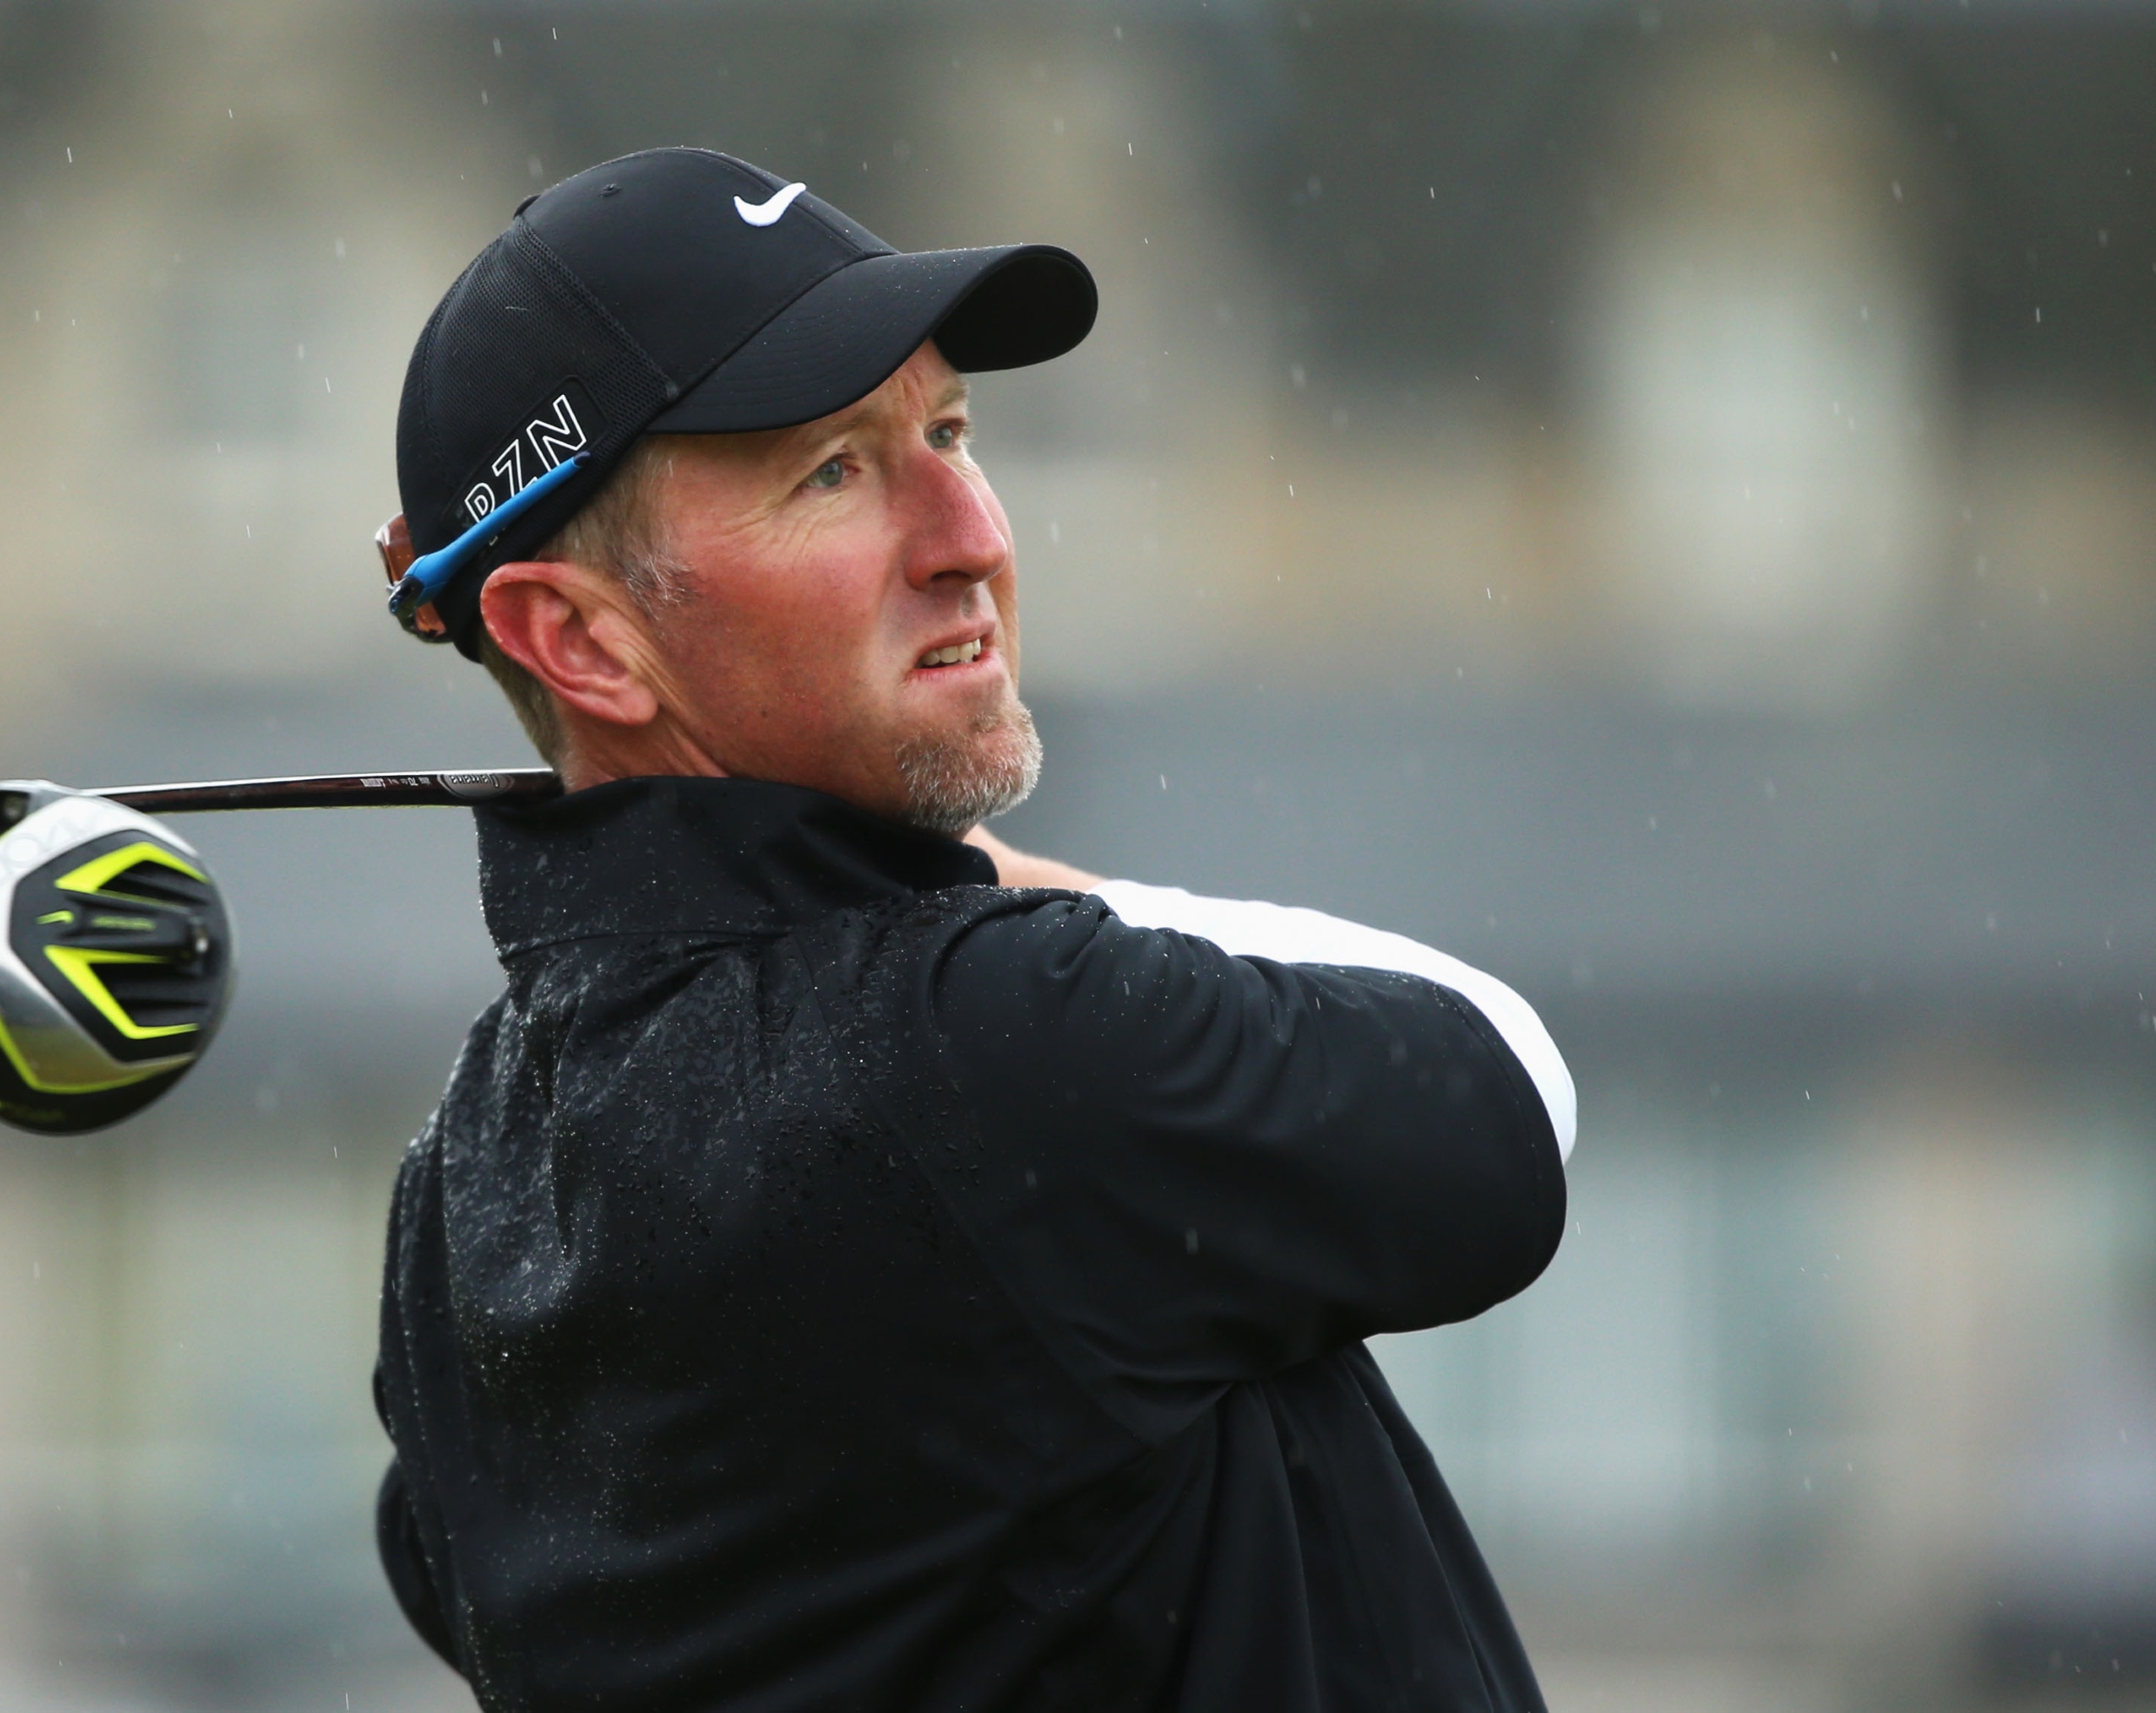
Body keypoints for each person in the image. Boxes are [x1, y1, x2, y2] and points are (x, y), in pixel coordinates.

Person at [370, 147, 1577, 1713]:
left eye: (948, 431)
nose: (971, 536)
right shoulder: (987, 1039)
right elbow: (1509, 1098)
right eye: (833, 471)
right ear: (581, 639)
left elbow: (433, 1552)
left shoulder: (459, 1194)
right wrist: (1013, 882)